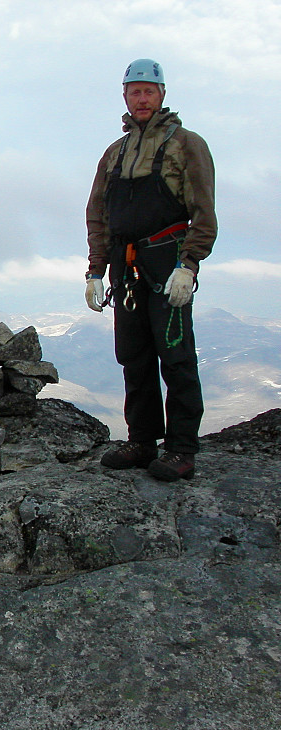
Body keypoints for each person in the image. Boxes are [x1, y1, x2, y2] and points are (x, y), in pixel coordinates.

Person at [84, 58, 217, 481]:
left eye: (149, 91)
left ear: (162, 95)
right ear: (124, 96)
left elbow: (204, 213)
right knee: (134, 356)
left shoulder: (186, 145)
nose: (142, 98)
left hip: (167, 260)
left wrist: (189, 265)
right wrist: (95, 270)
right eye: (134, 91)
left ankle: (180, 449)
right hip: (126, 266)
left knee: (175, 356)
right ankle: (142, 440)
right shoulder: (114, 153)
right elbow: (99, 215)